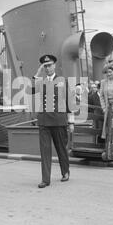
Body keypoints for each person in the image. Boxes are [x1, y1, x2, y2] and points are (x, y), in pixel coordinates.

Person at [32, 54, 74, 188]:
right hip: (44, 121)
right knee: (45, 151)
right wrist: (38, 72)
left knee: (61, 148)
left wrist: (71, 121)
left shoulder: (62, 81)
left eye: (49, 65)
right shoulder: (41, 81)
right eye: (45, 66)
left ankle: (65, 171)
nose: (48, 68)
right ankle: (45, 179)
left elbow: (69, 102)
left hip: (58, 120)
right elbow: (32, 90)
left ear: (54, 65)